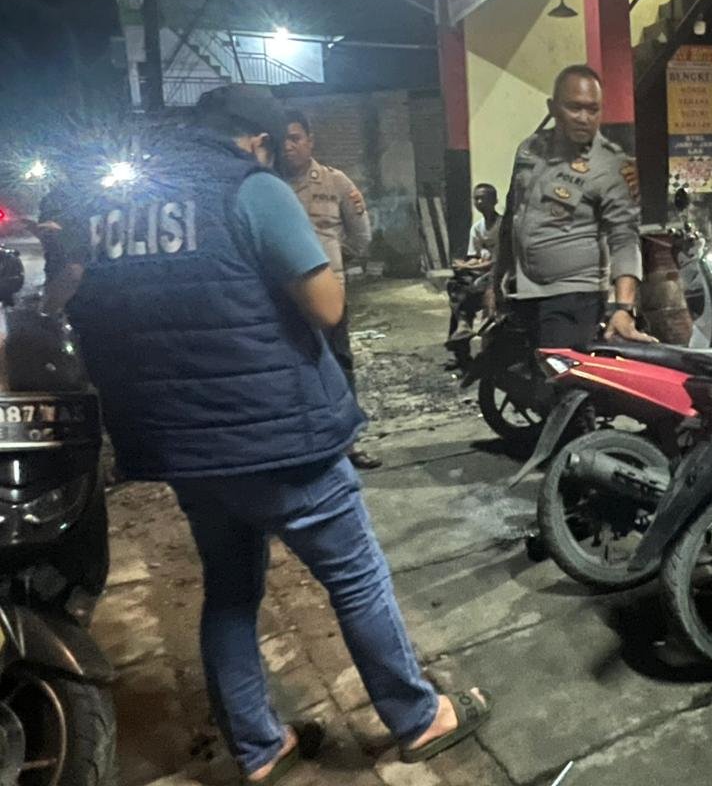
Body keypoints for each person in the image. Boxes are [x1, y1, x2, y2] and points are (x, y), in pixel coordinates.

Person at [50, 86, 490, 783]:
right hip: (277, 436)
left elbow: (77, 304)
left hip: (183, 445)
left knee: (230, 588)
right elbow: (326, 304)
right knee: (355, 575)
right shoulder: (251, 189)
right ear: (258, 141)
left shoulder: (119, 209)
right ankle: (417, 716)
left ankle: (258, 747)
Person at [486, 64, 654, 347]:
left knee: (558, 373)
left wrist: (624, 309)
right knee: (510, 368)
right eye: (574, 108)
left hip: (574, 298)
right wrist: (495, 281)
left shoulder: (613, 165)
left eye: (593, 109)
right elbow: (512, 217)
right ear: (552, 108)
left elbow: (625, 239)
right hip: (522, 291)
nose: (584, 118)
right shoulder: (529, 149)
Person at [281, 110, 381, 471]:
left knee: (338, 366)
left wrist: (332, 264)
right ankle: (305, 447)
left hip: (329, 297)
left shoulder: (335, 182)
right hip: (283, 300)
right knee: (293, 371)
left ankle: (348, 444)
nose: (288, 146)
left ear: (310, 140)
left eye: (295, 138)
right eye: (282, 139)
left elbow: (361, 236)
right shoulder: (267, 184)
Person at [447, 183, 502, 343]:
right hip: (482, 272)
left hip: (499, 272)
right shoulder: (477, 228)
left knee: (470, 292)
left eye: (484, 198)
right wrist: (464, 265)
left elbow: (497, 262)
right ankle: (462, 329)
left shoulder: (503, 226)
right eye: (476, 199)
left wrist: (468, 266)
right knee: (454, 284)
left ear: (494, 201)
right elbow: (474, 256)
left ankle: (467, 324)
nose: (479, 202)